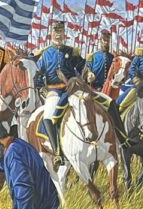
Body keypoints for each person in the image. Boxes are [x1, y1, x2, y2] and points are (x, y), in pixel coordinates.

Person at [33, 20, 86, 165]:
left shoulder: (71, 52)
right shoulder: (45, 54)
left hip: (71, 90)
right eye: (56, 32)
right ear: (51, 33)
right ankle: (57, 152)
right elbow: (38, 74)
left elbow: (82, 66)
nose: (58, 35)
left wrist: (89, 73)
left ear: (64, 34)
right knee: (48, 117)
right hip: (54, 91)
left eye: (60, 32)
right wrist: (41, 90)